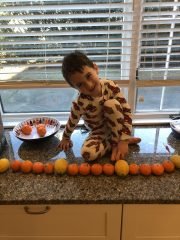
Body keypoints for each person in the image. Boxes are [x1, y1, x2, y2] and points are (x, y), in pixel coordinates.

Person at [59, 50, 141, 161]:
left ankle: (121, 139)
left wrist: (124, 139)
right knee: (87, 154)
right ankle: (114, 142)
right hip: (99, 132)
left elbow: (126, 111)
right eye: (80, 84)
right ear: (75, 88)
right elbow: (72, 121)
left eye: (88, 76)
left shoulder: (110, 85)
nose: (89, 85)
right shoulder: (79, 103)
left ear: (95, 68)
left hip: (118, 126)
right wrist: (65, 138)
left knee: (111, 104)